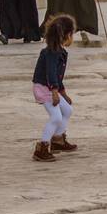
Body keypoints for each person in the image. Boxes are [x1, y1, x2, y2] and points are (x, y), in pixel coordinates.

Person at [32, 15, 78, 161]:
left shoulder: (60, 52)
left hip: (52, 88)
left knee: (67, 110)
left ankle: (58, 140)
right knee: (56, 117)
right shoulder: (52, 53)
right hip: (44, 88)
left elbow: (58, 77)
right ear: (66, 35)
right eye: (72, 34)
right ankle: (42, 147)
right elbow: (51, 73)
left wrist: (63, 93)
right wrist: (54, 92)